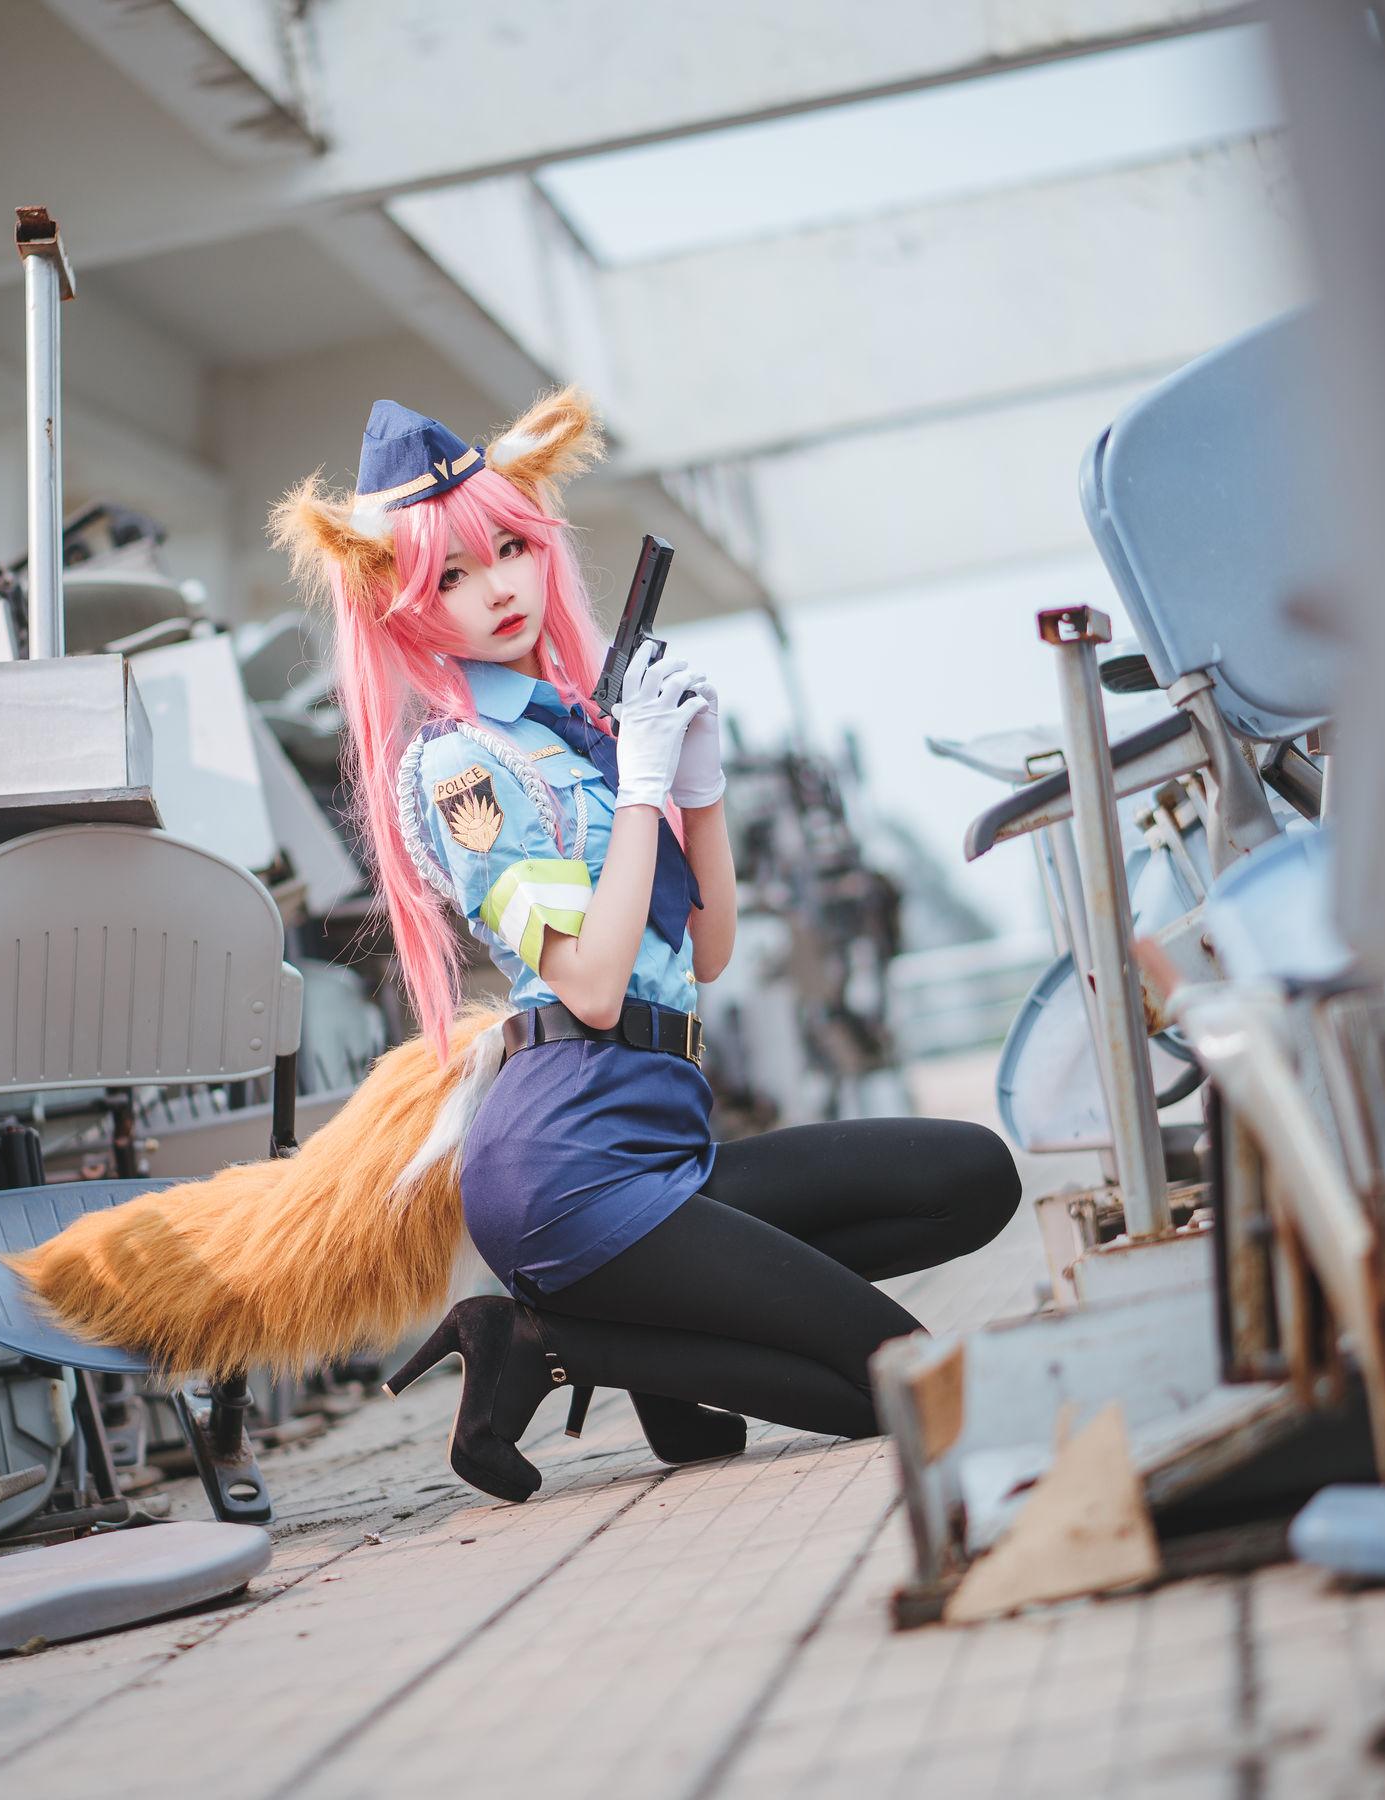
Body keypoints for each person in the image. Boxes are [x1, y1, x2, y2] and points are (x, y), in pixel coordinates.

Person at [268, 390, 1021, 1502]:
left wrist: (695, 786)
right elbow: (592, 985)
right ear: (405, 604)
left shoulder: (580, 732)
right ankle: (556, 1344)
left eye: (512, 550)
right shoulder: (464, 766)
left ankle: (658, 1332)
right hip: (567, 1169)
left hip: (665, 1143)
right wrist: (639, 785)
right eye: (454, 576)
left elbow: (707, 954)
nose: (500, 589)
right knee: (917, 1388)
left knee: (972, 1179)